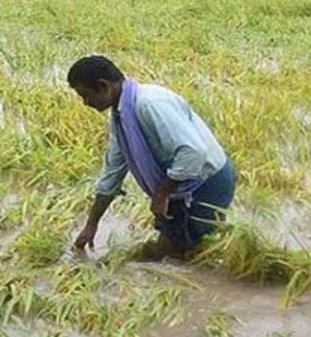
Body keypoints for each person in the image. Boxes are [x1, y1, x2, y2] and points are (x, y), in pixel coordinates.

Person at [68, 55, 235, 260]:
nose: (85, 103)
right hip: (179, 185)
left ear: (103, 86)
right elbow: (112, 174)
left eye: (85, 95)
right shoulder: (122, 118)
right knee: (177, 253)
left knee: (175, 255)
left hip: (206, 182)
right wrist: (91, 224)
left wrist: (162, 193)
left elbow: (193, 152)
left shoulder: (150, 103)